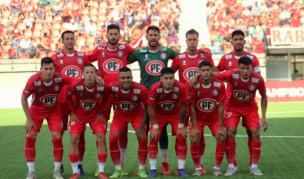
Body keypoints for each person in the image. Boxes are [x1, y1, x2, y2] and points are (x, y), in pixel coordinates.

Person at [127, 25, 213, 174]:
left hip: (170, 98)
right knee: (146, 132)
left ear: (159, 37)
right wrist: (106, 45)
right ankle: (142, 167)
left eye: (156, 35)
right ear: (146, 37)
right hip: (146, 96)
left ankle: (166, 163)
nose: (153, 37)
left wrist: (204, 53)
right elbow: (124, 57)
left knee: (168, 133)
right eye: (151, 35)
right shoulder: (139, 53)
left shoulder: (167, 52)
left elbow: (185, 57)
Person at [190, 30, 262, 172]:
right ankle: (232, 164)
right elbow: (216, 72)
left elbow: (257, 78)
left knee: (252, 132)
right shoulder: (226, 58)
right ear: (232, 42)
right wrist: (203, 67)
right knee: (230, 133)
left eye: (241, 39)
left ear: (244, 41)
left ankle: (252, 165)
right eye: (235, 39)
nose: (238, 42)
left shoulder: (253, 58)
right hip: (230, 103)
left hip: (249, 103)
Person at [87, 24, 136, 176]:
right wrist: (95, 75)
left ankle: (122, 163)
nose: (113, 36)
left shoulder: (125, 48)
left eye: (116, 34)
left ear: (119, 35)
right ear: (106, 35)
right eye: (111, 34)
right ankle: (98, 165)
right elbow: (85, 60)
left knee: (123, 131)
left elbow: (141, 54)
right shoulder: (100, 49)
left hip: (122, 94)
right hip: (104, 94)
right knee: (100, 128)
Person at [21, 57, 76, 179]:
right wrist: (29, 119)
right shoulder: (33, 81)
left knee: (57, 138)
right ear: (41, 69)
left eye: (51, 68)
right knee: (30, 137)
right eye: (46, 69)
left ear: (54, 68)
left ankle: (57, 171)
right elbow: (23, 98)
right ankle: (31, 172)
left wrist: (96, 78)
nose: (49, 71)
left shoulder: (59, 77)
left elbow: (76, 81)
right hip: (36, 112)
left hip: (54, 112)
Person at [213, 56, 268, 176]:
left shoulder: (258, 79)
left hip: (250, 108)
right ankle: (231, 166)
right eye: (242, 68)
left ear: (251, 68)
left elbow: (264, 96)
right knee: (230, 132)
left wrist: (263, 117)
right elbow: (214, 74)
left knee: (256, 133)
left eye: (247, 68)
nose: (245, 71)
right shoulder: (232, 74)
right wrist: (196, 76)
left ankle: (254, 167)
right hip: (233, 108)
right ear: (238, 68)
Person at [172, 29, 216, 174]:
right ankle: (180, 165)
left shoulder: (205, 56)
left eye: (194, 40)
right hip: (183, 103)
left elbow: (214, 73)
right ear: (186, 41)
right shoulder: (179, 58)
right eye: (189, 40)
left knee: (199, 135)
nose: (192, 42)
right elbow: (168, 76)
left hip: (199, 103)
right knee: (181, 135)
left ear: (198, 41)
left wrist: (197, 75)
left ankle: (200, 165)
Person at [50, 30, 93, 176]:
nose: (69, 41)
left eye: (71, 38)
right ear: (62, 41)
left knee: (80, 134)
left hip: (78, 101)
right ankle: (59, 164)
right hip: (61, 101)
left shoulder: (82, 57)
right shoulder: (55, 58)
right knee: (58, 134)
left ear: (75, 40)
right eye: (67, 39)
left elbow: (91, 73)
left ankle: (79, 165)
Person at [67, 64, 109, 179]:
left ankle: (101, 171)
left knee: (101, 136)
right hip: (79, 116)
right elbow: (68, 96)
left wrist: (100, 112)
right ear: (83, 74)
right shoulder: (76, 85)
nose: (90, 75)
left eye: (92, 72)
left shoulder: (102, 85)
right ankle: (75, 172)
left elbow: (106, 97)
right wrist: (73, 113)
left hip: (95, 116)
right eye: (87, 73)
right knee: (74, 138)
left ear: (96, 74)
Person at [145, 67, 188, 178]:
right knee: (153, 137)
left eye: (171, 78)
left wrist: (181, 126)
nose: (168, 80)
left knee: (182, 136)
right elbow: (150, 107)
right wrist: (154, 126)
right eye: (166, 78)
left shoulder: (181, 87)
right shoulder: (155, 88)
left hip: (175, 114)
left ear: (174, 78)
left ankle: (181, 168)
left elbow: (183, 106)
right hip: (159, 115)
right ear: (161, 79)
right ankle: (153, 169)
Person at [108, 67, 149, 178]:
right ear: (118, 79)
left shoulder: (141, 89)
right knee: (112, 139)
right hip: (120, 116)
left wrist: (141, 125)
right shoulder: (112, 86)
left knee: (143, 138)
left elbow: (149, 107)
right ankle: (118, 169)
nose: (126, 80)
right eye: (123, 78)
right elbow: (100, 90)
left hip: (137, 115)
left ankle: (141, 168)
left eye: (128, 77)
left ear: (132, 77)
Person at [188, 61, 226, 176]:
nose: (205, 73)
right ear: (199, 72)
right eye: (203, 70)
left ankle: (216, 168)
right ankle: (198, 169)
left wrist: (220, 127)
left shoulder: (219, 85)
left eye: (208, 70)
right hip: (198, 118)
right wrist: (194, 127)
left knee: (222, 137)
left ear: (211, 71)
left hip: (214, 118)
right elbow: (192, 107)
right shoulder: (194, 85)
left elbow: (221, 106)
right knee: (194, 138)